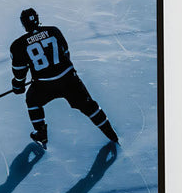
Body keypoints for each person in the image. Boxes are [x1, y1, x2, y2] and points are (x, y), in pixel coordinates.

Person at [10, 8, 118, 149]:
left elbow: (20, 71)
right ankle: (111, 134)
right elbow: (65, 53)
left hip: (44, 85)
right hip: (68, 80)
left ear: (23, 24)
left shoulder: (18, 45)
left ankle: (41, 133)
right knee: (89, 106)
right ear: (38, 18)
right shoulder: (54, 31)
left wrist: (18, 86)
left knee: (32, 100)